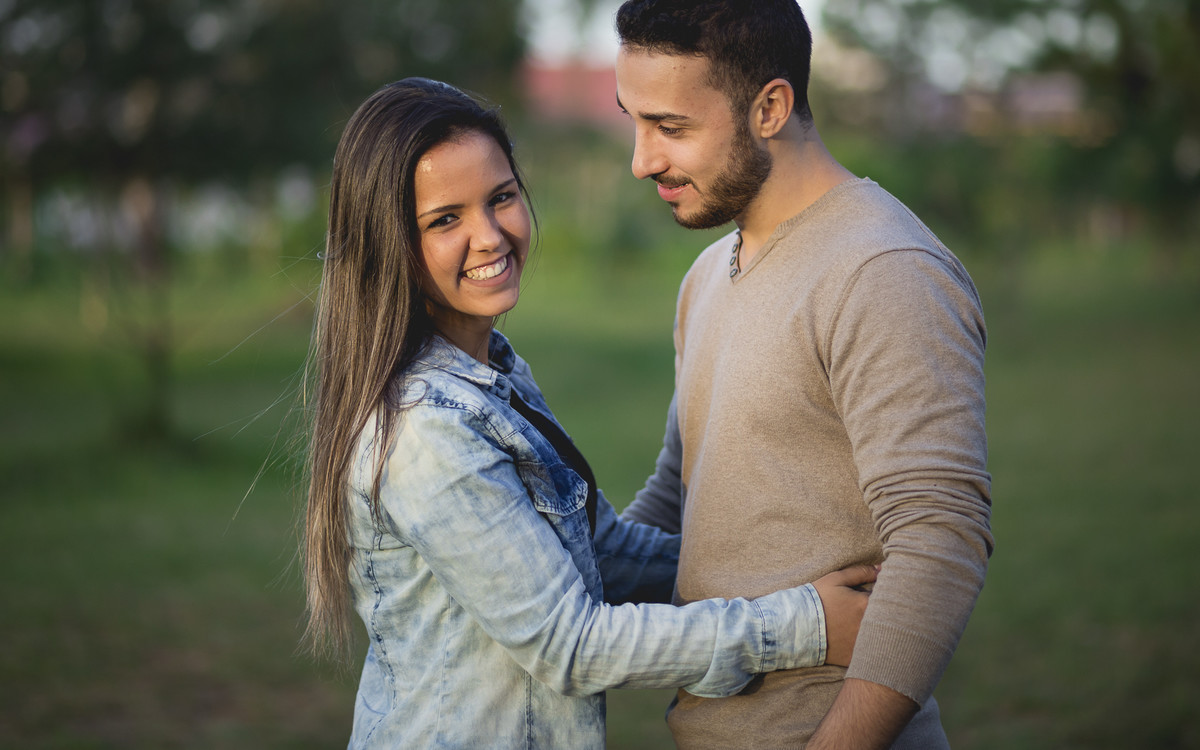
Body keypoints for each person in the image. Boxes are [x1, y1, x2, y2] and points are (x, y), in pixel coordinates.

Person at [299, 76, 878, 749]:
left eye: (501, 198)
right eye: (444, 220)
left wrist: (798, 569)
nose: (490, 236)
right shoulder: (428, 428)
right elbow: (571, 646)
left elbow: (604, 553)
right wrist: (805, 625)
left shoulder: (491, 374)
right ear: (388, 243)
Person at [613, 2, 995, 748]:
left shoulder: (883, 271)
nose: (642, 160)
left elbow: (941, 539)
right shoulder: (706, 275)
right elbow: (678, 494)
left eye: (671, 127)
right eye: (633, 121)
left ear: (771, 107)